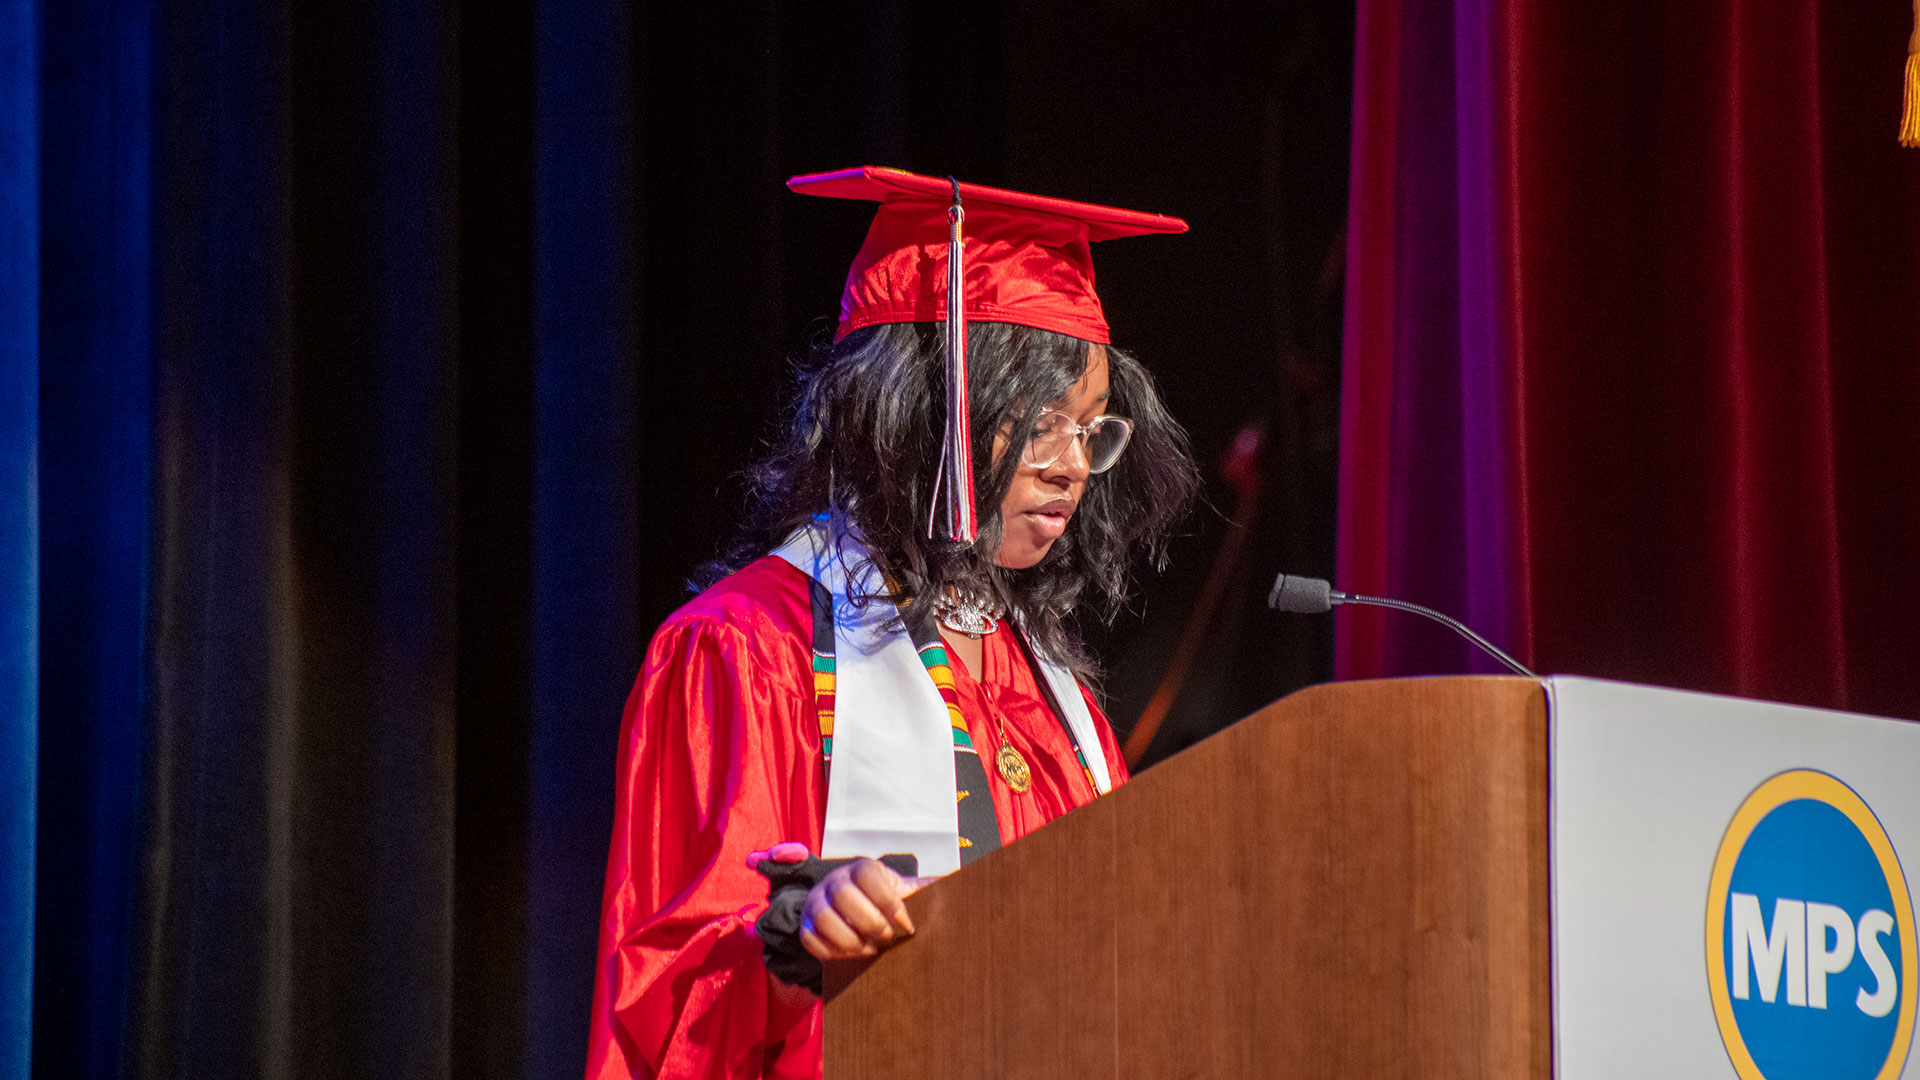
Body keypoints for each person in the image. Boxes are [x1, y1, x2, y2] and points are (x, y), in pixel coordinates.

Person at [584, 166, 1199, 1079]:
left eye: (1092, 429)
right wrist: (799, 938)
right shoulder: (746, 649)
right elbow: (666, 1000)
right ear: (918, 412)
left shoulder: (1051, 687)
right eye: (1039, 423)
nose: (1073, 465)